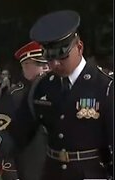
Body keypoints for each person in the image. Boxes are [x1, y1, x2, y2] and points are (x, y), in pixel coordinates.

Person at [9, 10, 113, 180]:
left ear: (79, 47)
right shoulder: (43, 86)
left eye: (62, 56)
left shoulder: (105, 86)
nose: (55, 64)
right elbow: (18, 133)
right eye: (49, 58)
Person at [0, 41, 49, 180]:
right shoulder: (15, 97)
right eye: (40, 64)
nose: (46, 68)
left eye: (47, 64)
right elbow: (2, 137)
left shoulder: (56, 91)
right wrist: (11, 171)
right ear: (25, 65)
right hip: (26, 169)